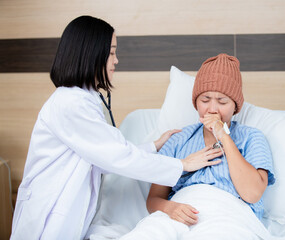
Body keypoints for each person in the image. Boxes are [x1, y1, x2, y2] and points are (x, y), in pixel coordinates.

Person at [10, 16, 222, 240]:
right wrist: (182, 164)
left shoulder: (84, 99)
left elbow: (105, 154)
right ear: (91, 53)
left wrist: (154, 145)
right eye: (111, 52)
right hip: (49, 215)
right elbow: (117, 157)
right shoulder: (71, 104)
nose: (116, 60)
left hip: (66, 213)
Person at [119, 53, 275, 239]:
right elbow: (153, 200)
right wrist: (171, 207)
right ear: (196, 104)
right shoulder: (179, 139)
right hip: (177, 213)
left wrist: (223, 136)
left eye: (222, 101)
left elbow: (252, 194)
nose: (212, 109)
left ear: (235, 106)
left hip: (228, 216)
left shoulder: (252, 138)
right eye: (205, 100)